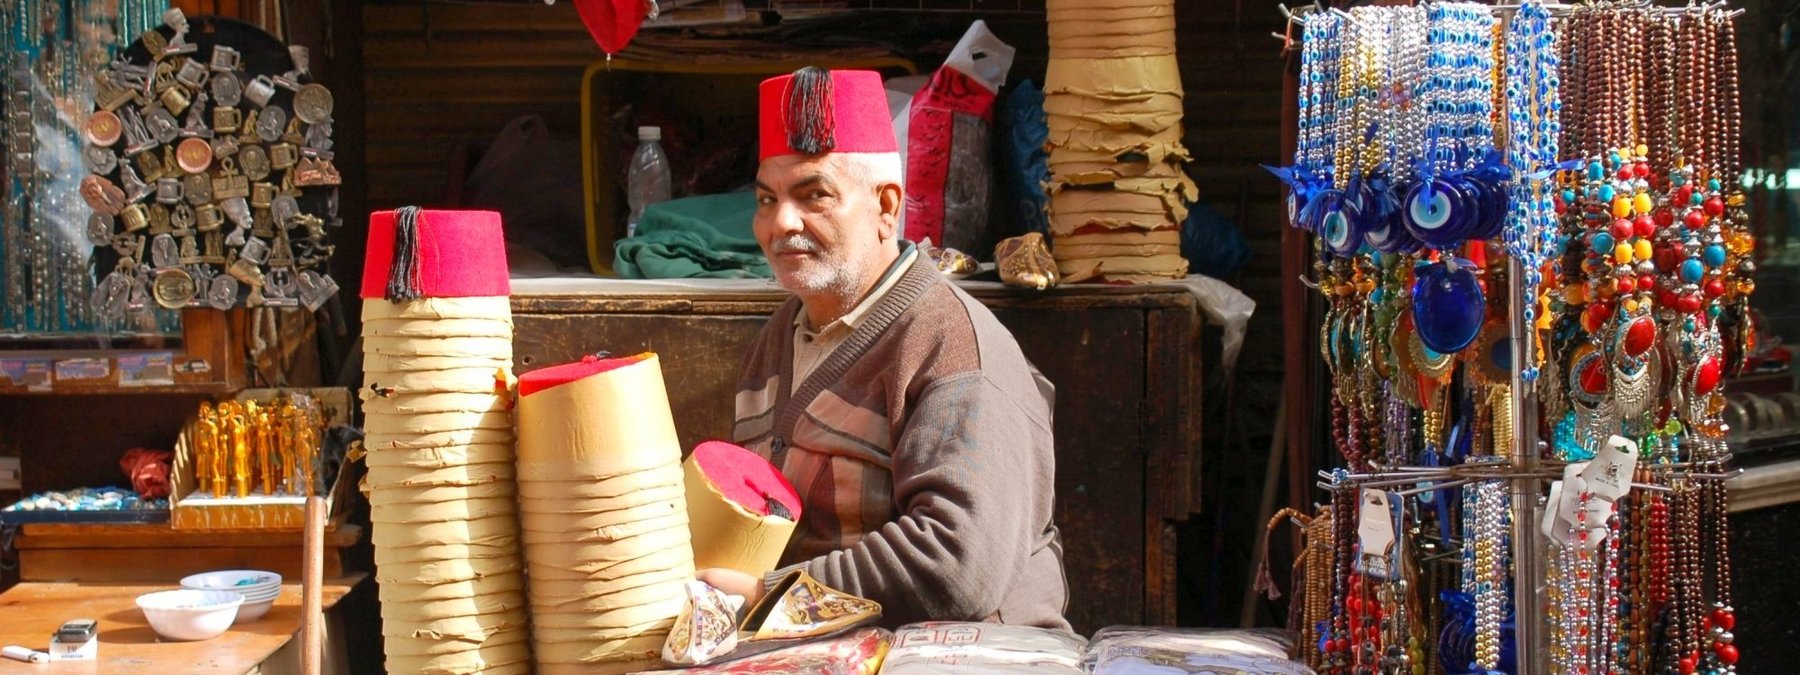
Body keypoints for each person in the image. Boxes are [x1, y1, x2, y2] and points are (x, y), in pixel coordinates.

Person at [694, 67, 1069, 631]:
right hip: (816, 646)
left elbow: (956, 567)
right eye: (767, 199)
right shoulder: (779, 337)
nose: (781, 223)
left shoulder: (953, 347)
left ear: (886, 207)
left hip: (962, 655)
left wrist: (768, 596)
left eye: (814, 195)